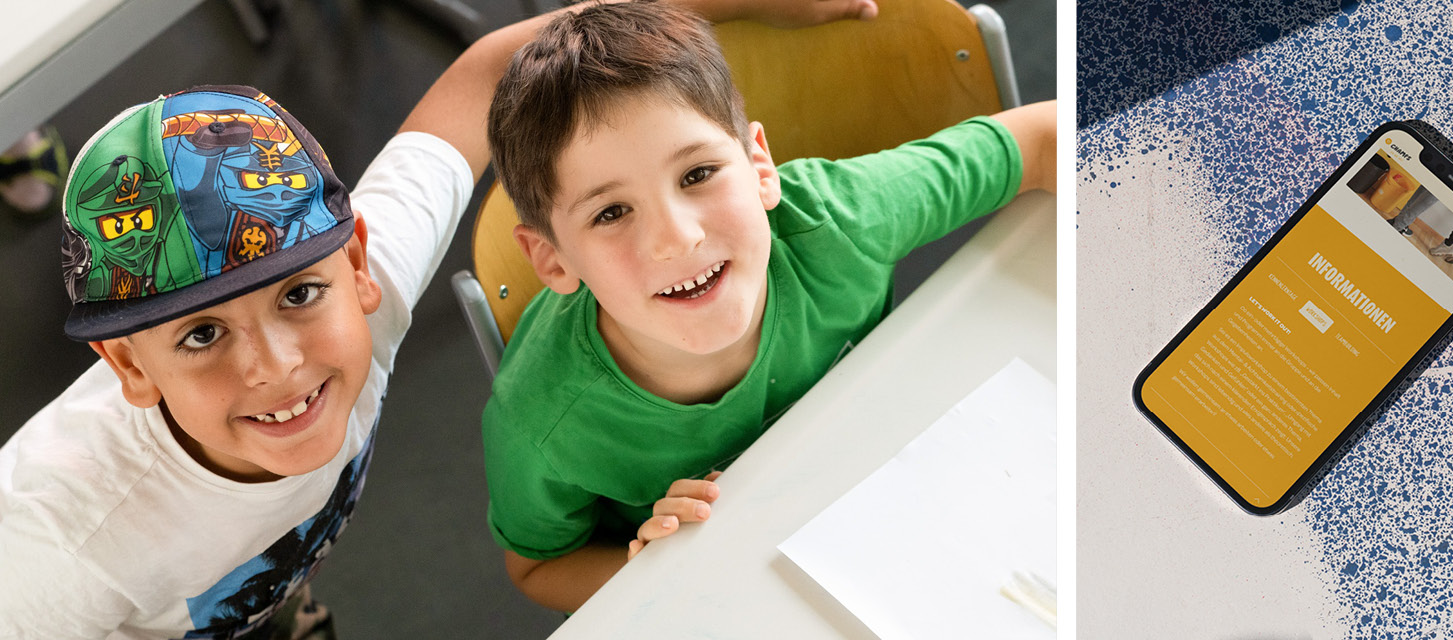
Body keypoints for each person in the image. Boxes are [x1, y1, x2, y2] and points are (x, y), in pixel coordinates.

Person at [0, 0, 869, 636]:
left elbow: (496, 68)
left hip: (246, 590)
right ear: (130, 367)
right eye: (200, 334)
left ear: (356, 266)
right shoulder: (58, 549)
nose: (276, 366)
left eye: (298, 296)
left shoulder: (371, 273)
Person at [480, 0, 1057, 612]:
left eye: (698, 173)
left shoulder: (838, 219)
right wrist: (641, 570)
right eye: (611, 212)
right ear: (552, 260)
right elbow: (539, 568)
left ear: (760, 165)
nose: (677, 238)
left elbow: (1045, 137)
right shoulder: (539, 424)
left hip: (917, 501)